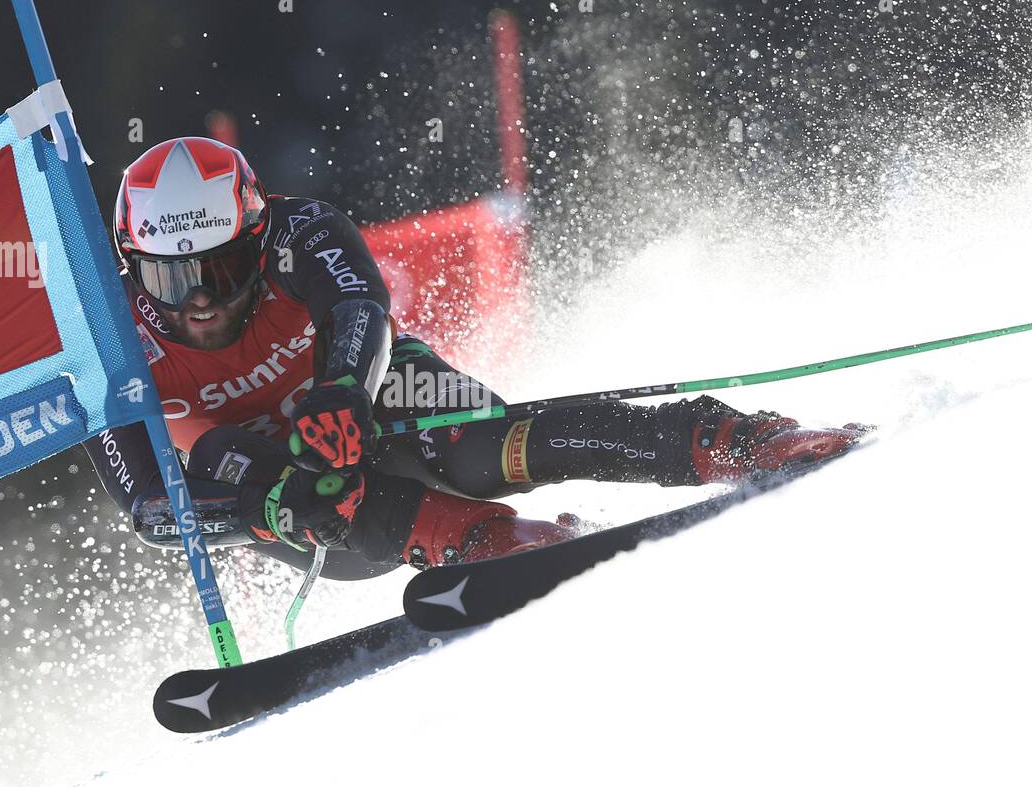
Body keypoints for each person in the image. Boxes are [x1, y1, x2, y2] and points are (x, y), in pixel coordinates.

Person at [85, 136, 865, 580]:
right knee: (300, 495)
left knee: (482, 446)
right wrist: (269, 508)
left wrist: (344, 392)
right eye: (171, 277)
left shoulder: (301, 230)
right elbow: (152, 510)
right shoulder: (109, 344)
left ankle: (721, 438)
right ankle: (482, 540)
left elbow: (359, 308)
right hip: (270, 468)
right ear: (131, 262)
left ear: (255, 241)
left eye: (220, 271)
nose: (201, 301)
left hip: (366, 388)